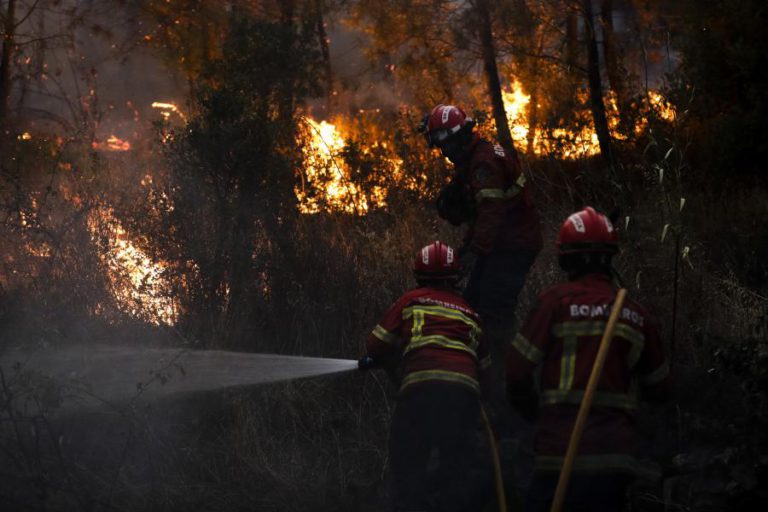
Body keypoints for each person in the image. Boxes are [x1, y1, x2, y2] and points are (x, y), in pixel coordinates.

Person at [505, 206, 671, 512]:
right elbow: (661, 388)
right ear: (611, 256)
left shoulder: (554, 303)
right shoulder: (634, 313)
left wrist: (534, 415)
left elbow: (515, 372)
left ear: (565, 257)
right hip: (614, 459)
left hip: (558, 451)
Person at [359, 240, 491, 512]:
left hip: (419, 393)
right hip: (463, 397)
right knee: (455, 474)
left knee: (408, 469)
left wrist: (389, 359)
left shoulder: (411, 300)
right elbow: (486, 371)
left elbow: (375, 345)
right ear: (456, 277)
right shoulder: (471, 314)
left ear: (419, 274)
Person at [421, 104, 543, 349]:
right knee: (471, 303)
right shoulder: (477, 155)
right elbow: (482, 218)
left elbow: (490, 213)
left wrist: (473, 253)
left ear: (458, 138)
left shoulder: (483, 163)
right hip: (502, 243)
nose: (444, 153)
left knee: (493, 311)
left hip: (513, 245)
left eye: (445, 146)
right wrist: (466, 250)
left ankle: (505, 369)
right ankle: (485, 361)